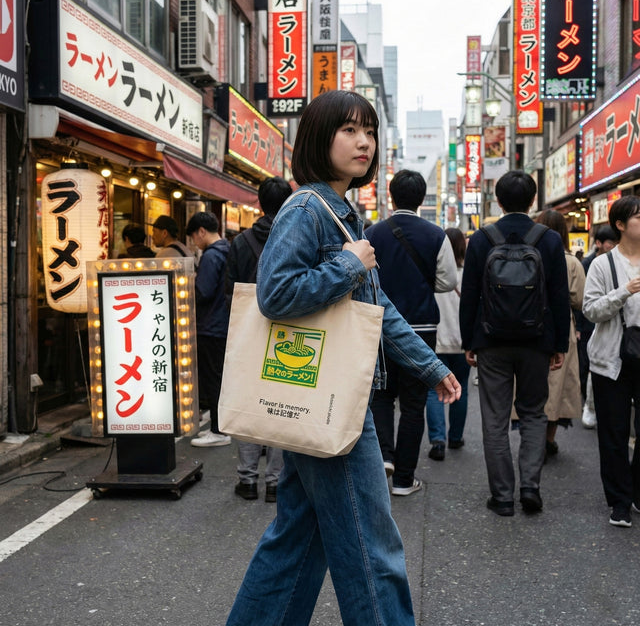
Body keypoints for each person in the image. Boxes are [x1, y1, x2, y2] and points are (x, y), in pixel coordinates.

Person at [225, 90, 460, 626]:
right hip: (329, 402)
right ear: (318, 137)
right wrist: (349, 265)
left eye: (370, 131)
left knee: (297, 541)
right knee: (372, 550)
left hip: (324, 398)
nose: (364, 142)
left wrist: (430, 366)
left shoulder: (340, 211)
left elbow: (378, 311)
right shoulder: (307, 207)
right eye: (349, 130)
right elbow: (275, 293)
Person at [460, 170, 570, 517]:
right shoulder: (549, 240)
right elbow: (559, 297)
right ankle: (530, 489)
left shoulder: (482, 239)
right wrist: (560, 344)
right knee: (534, 414)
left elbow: (471, 297)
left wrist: (469, 340)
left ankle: (503, 496)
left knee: (494, 418)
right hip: (537, 340)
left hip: (491, 340)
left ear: (498, 200)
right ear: (534, 200)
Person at [365, 171, 457, 485]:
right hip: (422, 328)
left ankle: (385, 459)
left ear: (390, 196)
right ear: (421, 200)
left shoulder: (372, 233)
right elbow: (447, 282)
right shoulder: (436, 234)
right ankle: (405, 478)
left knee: (381, 396)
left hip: (379, 326)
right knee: (414, 402)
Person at [225, 176, 292, 503]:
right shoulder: (295, 237)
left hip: (248, 333)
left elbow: (229, 293)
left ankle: (247, 480)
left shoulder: (240, 242)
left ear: (259, 202)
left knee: (248, 406)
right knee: (279, 408)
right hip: (286, 333)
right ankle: (276, 482)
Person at [582, 196, 640, 528]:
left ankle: (637, 491)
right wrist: (624, 291)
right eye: (638, 217)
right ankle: (619, 501)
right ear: (620, 224)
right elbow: (590, 310)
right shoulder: (605, 264)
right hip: (611, 359)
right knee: (614, 432)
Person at [531, 210, 585, 458]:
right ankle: (548, 439)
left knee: (533, 382)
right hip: (562, 326)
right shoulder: (572, 262)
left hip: (530, 325)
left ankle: (531, 436)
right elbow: (579, 299)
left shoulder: (529, 255)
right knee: (557, 385)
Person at [185, 211, 231, 447]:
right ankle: (218, 425)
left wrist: (190, 282)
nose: (194, 242)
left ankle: (218, 430)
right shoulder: (226, 249)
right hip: (221, 323)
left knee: (214, 379)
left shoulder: (212, 255)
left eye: (194, 237)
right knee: (218, 378)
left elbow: (203, 292)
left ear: (201, 231)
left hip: (211, 325)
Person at [425, 228, 471, 451]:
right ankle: (455, 437)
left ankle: (437, 440)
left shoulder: (434, 274)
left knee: (435, 390)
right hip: (463, 343)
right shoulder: (469, 275)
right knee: (460, 388)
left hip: (437, 341)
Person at [576, 224, 617, 429]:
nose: (613, 245)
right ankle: (588, 404)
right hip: (589, 323)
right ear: (599, 243)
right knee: (587, 365)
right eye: (610, 242)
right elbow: (584, 301)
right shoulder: (590, 264)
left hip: (612, 325)